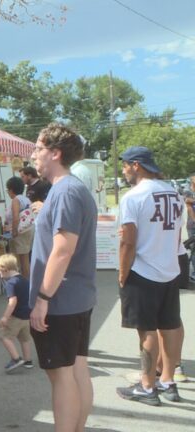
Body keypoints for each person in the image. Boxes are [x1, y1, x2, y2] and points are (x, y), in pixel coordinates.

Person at [29, 123, 97, 432]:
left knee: (62, 375)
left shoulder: (67, 190)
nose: (34, 155)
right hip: (74, 297)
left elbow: (62, 251)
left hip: (62, 299)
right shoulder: (69, 189)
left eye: (38, 148)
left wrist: (43, 299)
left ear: (55, 153)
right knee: (75, 370)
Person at [115, 146, 184, 405]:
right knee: (170, 325)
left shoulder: (133, 197)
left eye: (124, 166)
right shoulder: (174, 193)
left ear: (136, 165)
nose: (123, 171)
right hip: (169, 268)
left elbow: (128, 242)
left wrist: (123, 273)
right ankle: (168, 381)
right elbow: (177, 234)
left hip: (143, 271)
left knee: (147, 330)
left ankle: (147, 386)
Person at [0, 254, 34, 373]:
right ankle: (28, 361)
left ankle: (16, 359)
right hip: (27, 316)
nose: (0, 276)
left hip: (16, 317)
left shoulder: (11, 283)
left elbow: (12, 302)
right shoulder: (24, 279)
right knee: (24, 339)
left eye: (0, 272)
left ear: (5, 269)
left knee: (5, 337)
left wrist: (5, 317)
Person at [5, 176, 33, 279]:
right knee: (25, 257)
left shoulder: (16, 200)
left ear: (11, 190)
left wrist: (14, 232)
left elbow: (16, 218)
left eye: (8, 190)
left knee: (19, 260)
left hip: (19, 232)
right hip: (28, 229)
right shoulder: (26, 199)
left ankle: (22, 283)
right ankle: (27, 282)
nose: (8, 192)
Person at [183, 173, 195, 280]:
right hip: (192, 225)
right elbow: (187, 201)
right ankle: (193, 273)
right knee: (194, 248)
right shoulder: (188, 190)